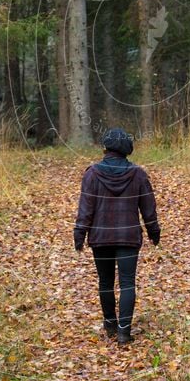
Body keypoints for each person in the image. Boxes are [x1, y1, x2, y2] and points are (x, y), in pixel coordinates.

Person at [73, 127, 161, 345]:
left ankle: (110, 324)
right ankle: (124, 331)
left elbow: (86, 208)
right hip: (128, 237)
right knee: (128, 283)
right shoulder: (138, 174)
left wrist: (79, 233)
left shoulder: (92, 174)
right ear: (127, 150)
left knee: (105, 282)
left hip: (101, 238)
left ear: (106, 148)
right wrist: (154, 232)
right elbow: (148, 208)